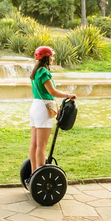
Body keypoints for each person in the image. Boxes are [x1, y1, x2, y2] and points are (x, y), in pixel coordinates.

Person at [28, 46, 76, 180]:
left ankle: (33, 174)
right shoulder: (44, 72)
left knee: (34, 144)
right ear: (46, 58)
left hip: (35, 106)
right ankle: (39, 176)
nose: (53, 58)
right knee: (41, 146)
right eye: (51, 56)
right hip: (43, 109)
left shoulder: (36, 71)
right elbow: (52, 92)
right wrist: (68, 95)